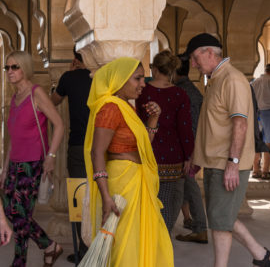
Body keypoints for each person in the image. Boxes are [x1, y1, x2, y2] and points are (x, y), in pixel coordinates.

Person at [185, 33, 270, 267]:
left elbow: (240, 123)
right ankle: (262, 256)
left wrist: (233, 163)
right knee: (222, 216)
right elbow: (213, 125)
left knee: (219, 220)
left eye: (195, 58)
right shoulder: (216, 79)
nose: (194, 64)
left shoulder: (232, 79)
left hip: (227, 163)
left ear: (209, 53)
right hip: (216, 161)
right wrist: (198, 158)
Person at [84, 57, 173, 266]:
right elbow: (97, 153)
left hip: (136, 181)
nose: (143, 83)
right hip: (122, 185)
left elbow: (141, 148)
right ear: (120, 80)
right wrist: (106, 196)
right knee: (126, 247)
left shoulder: (126, 107)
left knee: (140, 241)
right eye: (137, 78)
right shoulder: (110, 108)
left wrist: (153, 120)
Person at [0, 51, 64, 267]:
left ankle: (19, 261)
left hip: (32, 163)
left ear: (25, 68)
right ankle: (49, 245)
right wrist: (5, 167)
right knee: (10, 210)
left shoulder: (36, 93)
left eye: (14, 67)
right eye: (7, 67)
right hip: (14, 163)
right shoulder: (15, 97)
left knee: (19, 215)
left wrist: (51, 156)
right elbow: (13, 137)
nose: (10, 71)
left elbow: (59, 125)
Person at [136, 50, 194, 233]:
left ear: (154, 69)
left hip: (146, 153)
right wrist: (188, 156)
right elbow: (185, 128)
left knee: (146, 202)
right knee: (168, 203)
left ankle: (148, 242)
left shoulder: (141, 91)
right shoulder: (180, 94)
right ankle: (162, 239)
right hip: (172, 156)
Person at [51, 47, 91, 262]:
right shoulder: (103, 75)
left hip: (78, 146)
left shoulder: (69, 77)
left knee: (78, 198)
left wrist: (65, 78)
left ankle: (84, 252)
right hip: (103, 147)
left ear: (75, 58)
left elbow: (52, 102)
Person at [173, 54, 208, 244]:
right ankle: (191, 222)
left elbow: (191, 127)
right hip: (190, 148)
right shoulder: (190, 90)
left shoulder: (182, 92)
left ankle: (201, 228)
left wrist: (190, 155)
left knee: (189, 185)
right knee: (185, 185)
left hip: (188, 151)